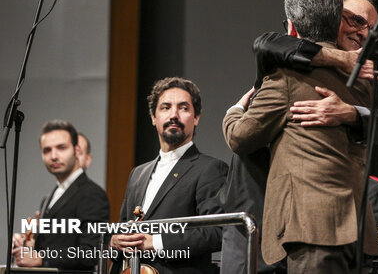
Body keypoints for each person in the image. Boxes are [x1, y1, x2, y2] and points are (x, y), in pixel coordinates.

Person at [219, 0, 378, 273]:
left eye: (372, 29)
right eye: (355, 20)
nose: (363, 32)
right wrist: (339, 59)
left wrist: (350, 113)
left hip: (319, 226)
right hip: (274, 213)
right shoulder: (290, 63)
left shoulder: (365, 79)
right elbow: (266, 43)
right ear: (331, 19)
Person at [110, 77, 228, 274]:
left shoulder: (210, 169)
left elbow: (215, 232)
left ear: (196, 117)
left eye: (183, 108)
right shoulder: (137, 174)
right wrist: (115, 242)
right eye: (165, 107)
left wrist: (155, 242)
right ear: (153, 117)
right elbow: (124, 226)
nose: (174, 115)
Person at [12, 120, 110, 269]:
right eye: (47, 150)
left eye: (61, 148)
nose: (53, 156)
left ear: (76, 150)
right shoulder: (49, 197)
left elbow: (91, 252)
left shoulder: (92, 194)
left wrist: (41, 258)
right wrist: (28, 242)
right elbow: (54, 242)